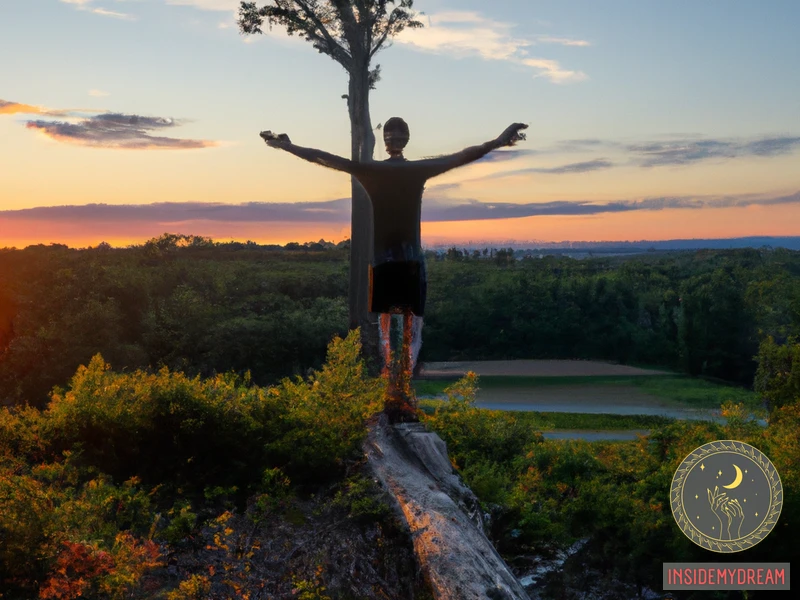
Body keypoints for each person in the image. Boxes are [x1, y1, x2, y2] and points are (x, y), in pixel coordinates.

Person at [260, 119, 528, 419]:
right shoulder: (416, 171)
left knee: (389, 329)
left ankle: (394, 393)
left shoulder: (372, 171)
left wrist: (287, 146)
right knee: (410, 331)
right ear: (406, 139)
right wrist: (499, 141)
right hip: (411, 262)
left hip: (384, 262)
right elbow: (465, 155)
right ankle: (401, 394)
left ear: (386, 142)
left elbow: (325, 158)